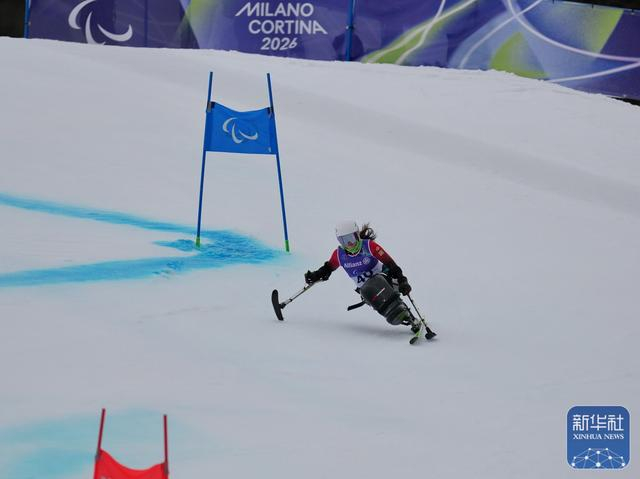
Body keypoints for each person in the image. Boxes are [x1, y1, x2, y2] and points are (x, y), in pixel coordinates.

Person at [304, 221, 420, 332]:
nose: (349, 244)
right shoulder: (339, 255)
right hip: (367, 290)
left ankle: (408, 315)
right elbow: (328, 267)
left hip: (384, 278)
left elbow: (390, 263)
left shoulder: (369, 246)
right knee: (381, 304)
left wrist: (402, 280)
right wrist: (315, 275)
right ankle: (401, 316)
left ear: (357, 235)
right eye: (344, 241)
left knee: (378, 283)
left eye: (351, 239)